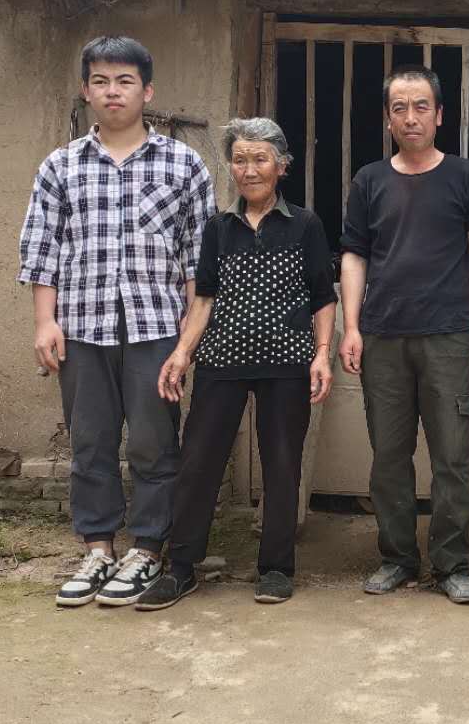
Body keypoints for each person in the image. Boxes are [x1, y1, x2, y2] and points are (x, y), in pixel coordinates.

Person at [18, 35, 215, 608]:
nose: (113, 91)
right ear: (86, 90)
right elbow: (43, 250)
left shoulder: (183, 164)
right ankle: (98, 548)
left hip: (157, 330)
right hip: (82, 327)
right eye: (101, 81)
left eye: (125, 81)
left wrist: (187, 341)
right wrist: (44, 322)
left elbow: (199, 261)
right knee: (91, 443)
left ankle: (147, 549)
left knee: (154, 444)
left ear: (146, 91)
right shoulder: (60, 166)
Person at [133, 119, 337, 610]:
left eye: (260, 159)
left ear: (281, 166)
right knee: (199, 461)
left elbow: (323, 298)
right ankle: (181, 567)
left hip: (286, 361)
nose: (249, 169)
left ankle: (276, 568)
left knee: (282, 464)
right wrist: (182, 352)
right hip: (222, 358)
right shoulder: (218, 228)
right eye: (240, 160)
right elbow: (203, 299)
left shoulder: (305, 225)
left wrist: (322, 354)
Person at [339, 65, 469, 604]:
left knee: (452, 455)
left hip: (445, 334)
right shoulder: (369, 180)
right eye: (400, 108)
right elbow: (354, 256)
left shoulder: (465, 177)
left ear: (440, 115)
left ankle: (452, 563)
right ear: (388, 118)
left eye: (421, 106)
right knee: (388, 456)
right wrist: (351, 327)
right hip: (382, 335)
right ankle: (398, 558)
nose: (411, 117)